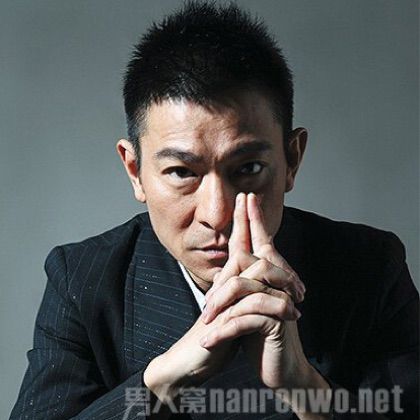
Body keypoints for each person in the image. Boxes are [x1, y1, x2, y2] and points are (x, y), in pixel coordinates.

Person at [10, 2, 418, 419]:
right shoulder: (84, 281)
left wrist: (304, 388)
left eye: (248, 169)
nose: (217, 213)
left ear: (291, 160)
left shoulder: (370, 269)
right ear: (135, 171)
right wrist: (160, 383)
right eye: (181, 172)